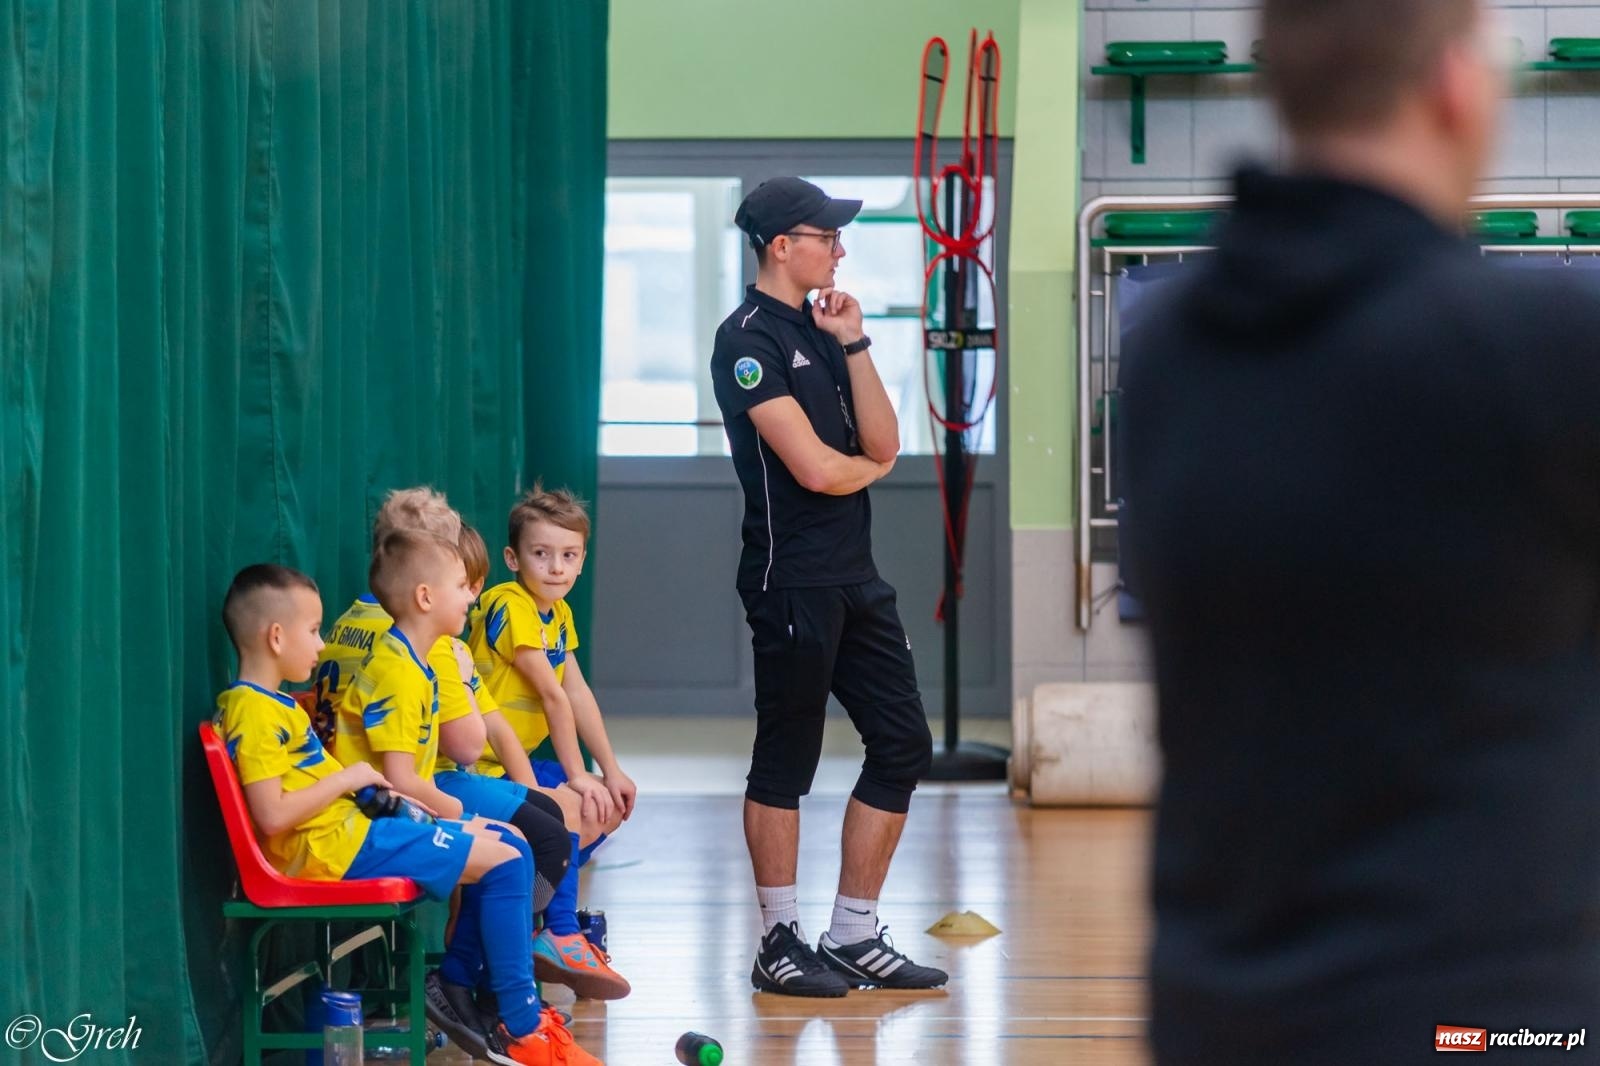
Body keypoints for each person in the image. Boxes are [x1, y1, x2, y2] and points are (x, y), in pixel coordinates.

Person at [1119, 2, 1600, 1061]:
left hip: (1216, 1007)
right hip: (1475, 1014)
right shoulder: (1539, 351)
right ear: (1454, 86)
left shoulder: (1170, 355)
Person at [215, 563, 600, 1066]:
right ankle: (520, 1027)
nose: (321, 644)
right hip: (334, 850)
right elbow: (270, 815)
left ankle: (490, 1003)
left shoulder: (278, 705)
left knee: (508, 841)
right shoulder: (252, 709)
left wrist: (423, 813)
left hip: (351, 835)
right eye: (313, 631)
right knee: (506, 859)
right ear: (276, 636)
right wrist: (348, 779)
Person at [709, 177, 946, 996]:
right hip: (790, 579)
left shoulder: (824, 327)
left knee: (902, 743)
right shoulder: (744, 340)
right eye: (827, 235)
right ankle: (778, 939)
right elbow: (811, 467)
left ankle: (853, 934)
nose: (839, 248)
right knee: (789, 756)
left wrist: (853, 342)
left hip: (856, 576)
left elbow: (886, 441)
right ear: (783, 245)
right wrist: (864, 468)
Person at [468, 486, 633, 993]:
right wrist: (579, 774)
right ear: (513, 558)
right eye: (542, 554)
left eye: (568, 555)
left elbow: (577, 691)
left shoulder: (556, 614)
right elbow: (552, 696)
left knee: (605, 803)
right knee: (573, 802)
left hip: (513, 763)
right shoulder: (510, 603)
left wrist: (610, 768)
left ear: (583, 561)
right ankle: (556, 931)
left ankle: (540, 921)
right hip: (479, 768)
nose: (556, 567)